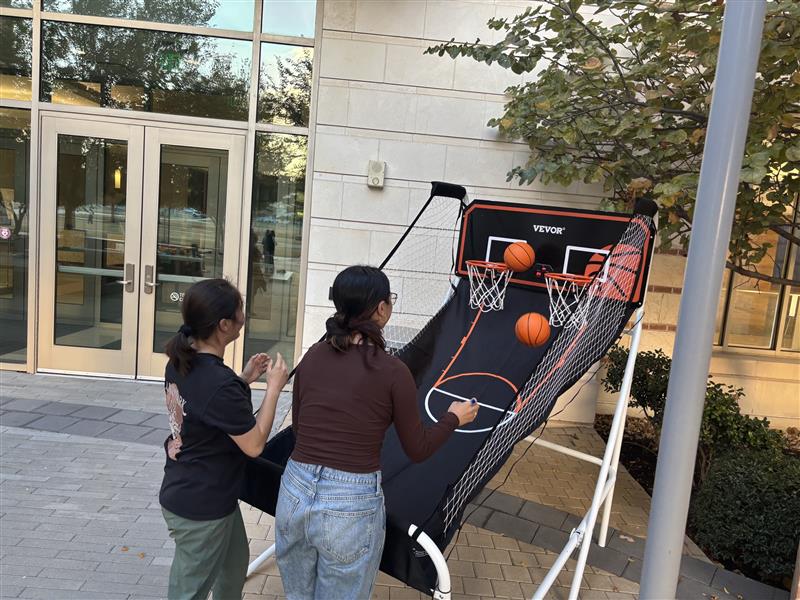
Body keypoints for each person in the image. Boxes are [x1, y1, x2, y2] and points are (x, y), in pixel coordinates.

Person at [275, 265, 479, 600]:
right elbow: (418, 448)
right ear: (382, 309)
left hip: (294, 490)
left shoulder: (312, 356)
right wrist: (453, 418)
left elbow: (300, 428)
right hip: (349, 503)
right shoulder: (392, 372)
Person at [159, 278, 288, 600]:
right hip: (201, 504)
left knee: (233, 568)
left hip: (204, 492)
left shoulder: (182, 359)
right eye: (240, 310)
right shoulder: (218, 382)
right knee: (189, 590)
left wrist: (243, 379)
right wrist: (274, 389)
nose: (245, 316)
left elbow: (206, 408)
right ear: (224, 325)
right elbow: (255, 445)